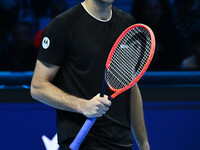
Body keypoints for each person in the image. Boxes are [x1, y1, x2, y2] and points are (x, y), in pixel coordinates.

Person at [31, 0, 150, 149]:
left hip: (121, 142)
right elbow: (38, 87)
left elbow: (130, 86)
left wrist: (144, 143)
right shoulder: (61, 26)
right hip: (82, 142)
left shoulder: (127, 24)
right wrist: (83, 105)